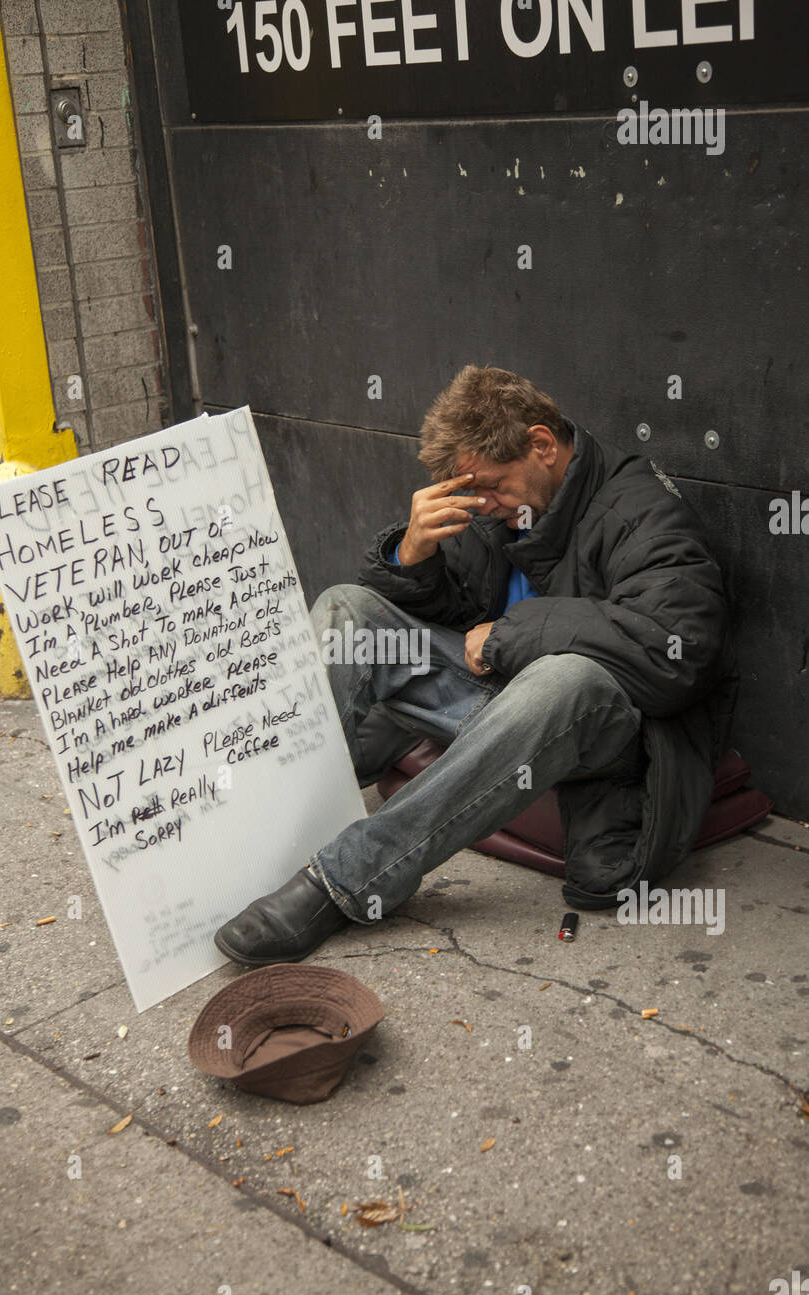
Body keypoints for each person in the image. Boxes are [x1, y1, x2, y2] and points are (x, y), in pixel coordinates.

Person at [215, 366, 738, 966]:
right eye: (471, 492)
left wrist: (509, 636)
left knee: (565, 676)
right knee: (347, 609)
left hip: (600, 731)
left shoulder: (638, 509)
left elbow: (677, 649)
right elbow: (452, 612)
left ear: (542, 445)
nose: (483, 504)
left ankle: (348, 881)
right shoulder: (497, 508)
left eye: (491, 486)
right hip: (495, 706)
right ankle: (260, 837)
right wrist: (413, 554)